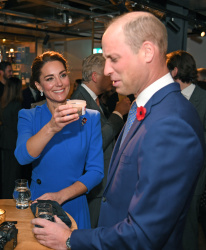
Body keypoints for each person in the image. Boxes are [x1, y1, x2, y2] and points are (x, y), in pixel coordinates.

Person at [31, 12, 205, 250]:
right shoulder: (148, 107)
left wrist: (70, 239)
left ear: (147, 52)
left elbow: (144, 234)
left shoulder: (171, 122)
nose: (107, 70)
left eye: (113, 59)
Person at [14, 51, 104, 229]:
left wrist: (61, 196)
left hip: (74, 203)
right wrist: (52, 127)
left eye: (62, 75)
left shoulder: (90, 117)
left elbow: (96, 171)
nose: (59, 83)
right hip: (42, 204)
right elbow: (22, 156)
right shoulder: (29, 116)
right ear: (39, 85)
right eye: (49, 78)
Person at [71, 53, 130, 228]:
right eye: (107, 73)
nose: (111, 75)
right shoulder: (78, 101)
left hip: (99, 183)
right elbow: (93, 142)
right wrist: (118, 114)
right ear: (95, 76)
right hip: (90, 186)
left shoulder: (95, 100)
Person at [166, 50, 206, 250]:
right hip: (170, 178)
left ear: (174, 71)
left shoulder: (204, 100)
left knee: (189, 230)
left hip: (194, 179)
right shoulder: (171, 98)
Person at [0, 77, 23, 198]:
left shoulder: (3, 103)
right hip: (14, 143)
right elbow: (18, 127)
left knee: (5, 176)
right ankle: (9, 202)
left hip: (4, 142)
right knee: (13, 176)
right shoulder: (17, 105)